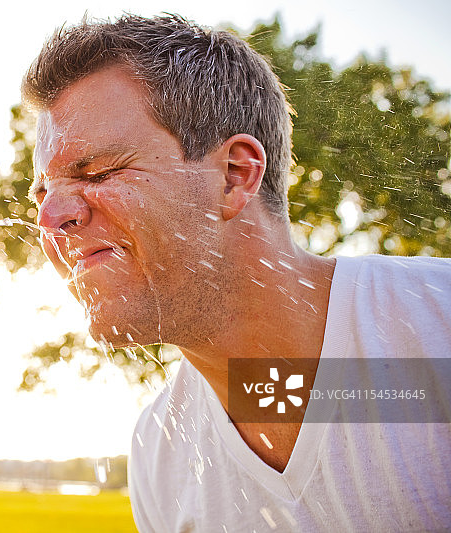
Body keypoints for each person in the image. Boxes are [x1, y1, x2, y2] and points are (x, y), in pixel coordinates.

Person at [22, 14, 451, 532]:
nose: (49, 219)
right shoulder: (161, 452)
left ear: (233, 176)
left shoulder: (436, 330)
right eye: (41, 193)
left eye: (98, 171)